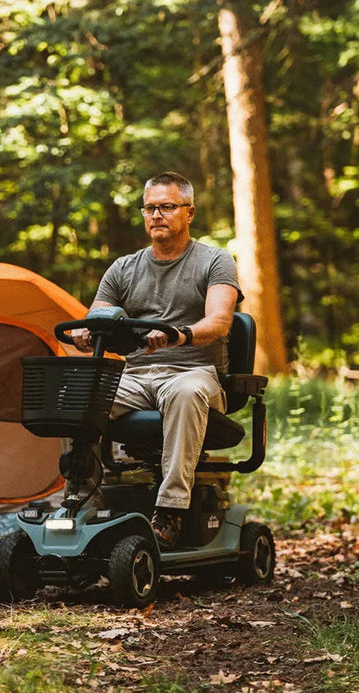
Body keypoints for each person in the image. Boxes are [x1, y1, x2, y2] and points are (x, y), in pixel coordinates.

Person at [71, 171, 243, 549]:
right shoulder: (123, 268)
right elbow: (96, 315)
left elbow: (219, 322)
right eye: (150, 208)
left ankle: (170, 510)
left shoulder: (215, 261)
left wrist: (177, 334)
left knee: (186, 392)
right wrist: (87, 332)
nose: (157, 215)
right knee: (77, 395)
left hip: (194, 373)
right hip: (136, 376)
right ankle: (81, 496)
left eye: (167, 207)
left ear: (189, 212)